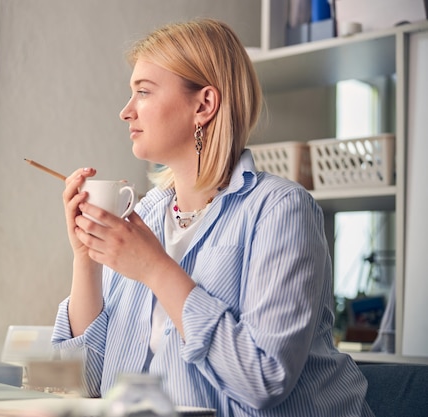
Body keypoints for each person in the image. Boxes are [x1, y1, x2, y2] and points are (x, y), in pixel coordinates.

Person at [52, 18, 374, 416]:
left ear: (203, 105)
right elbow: (81, 383)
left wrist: (155, 269)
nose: (125, 111)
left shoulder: (280, 211)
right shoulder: (146, 215)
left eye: (143, 92)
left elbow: (263, 379)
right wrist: (85, 258)